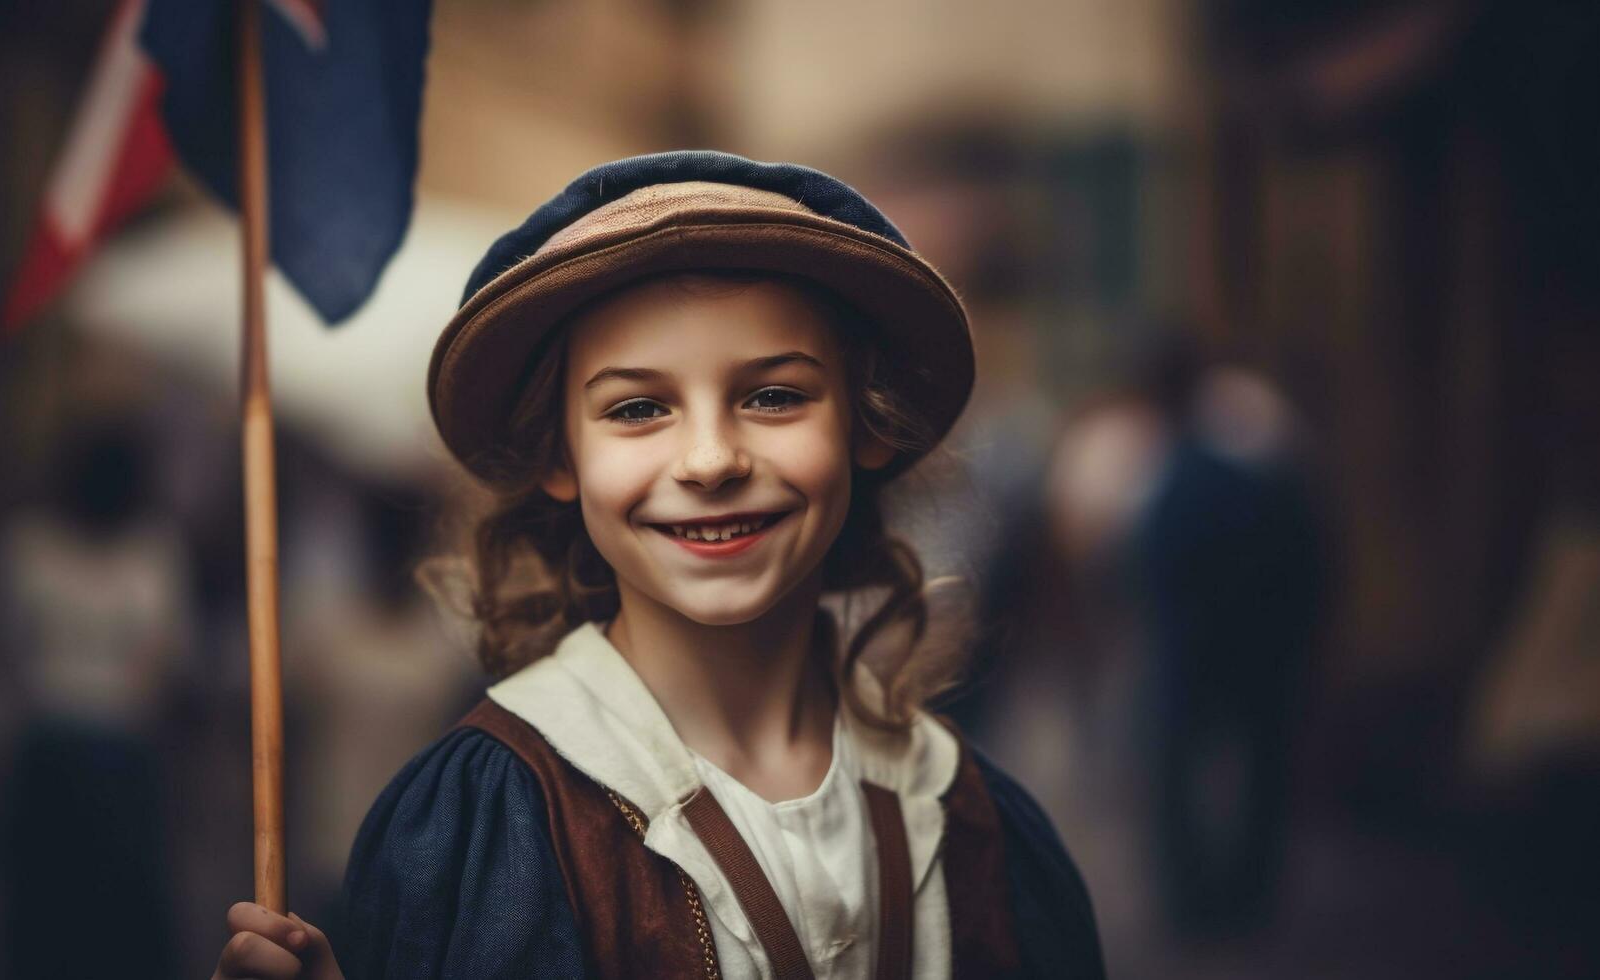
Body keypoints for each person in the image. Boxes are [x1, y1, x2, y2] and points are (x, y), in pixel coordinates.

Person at [210, 151, 1105, 979]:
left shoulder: (974, 816)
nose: (710, 460)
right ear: (557, 456)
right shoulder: (490, 819)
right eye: (637, 408)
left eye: (773, 395)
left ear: (865, 424)